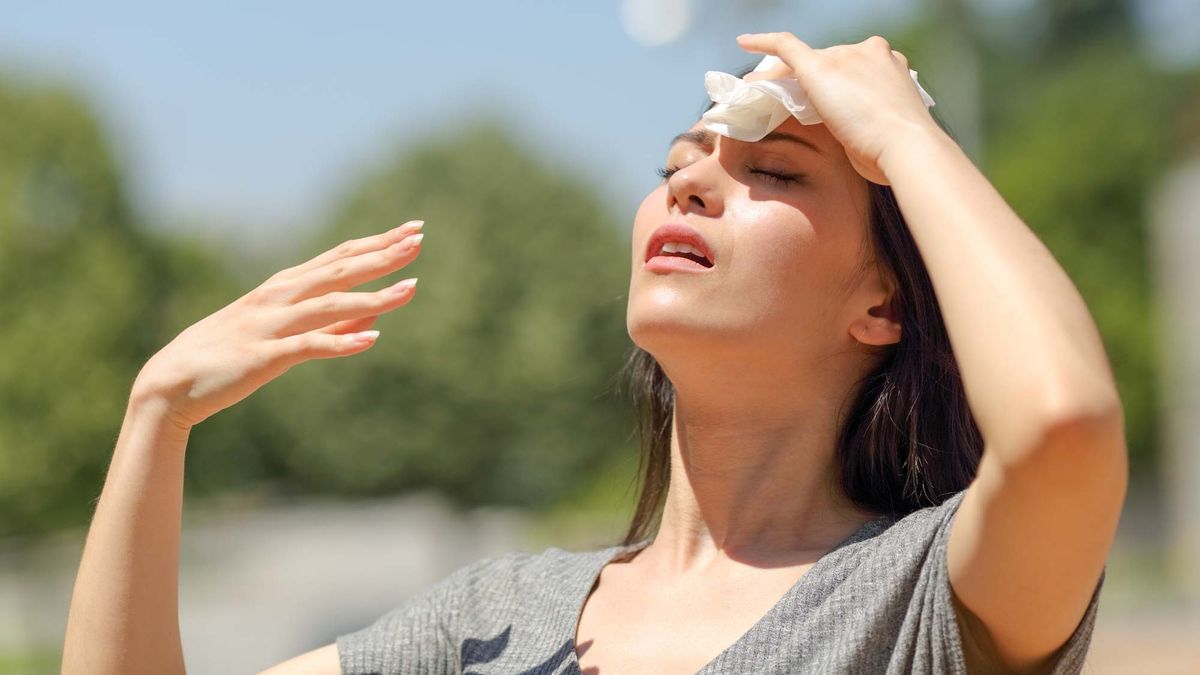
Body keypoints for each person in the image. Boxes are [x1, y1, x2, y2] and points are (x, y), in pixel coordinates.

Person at [61, 32, 1126, 675]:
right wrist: (157, 417)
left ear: (884, 304)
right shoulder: (492, 620)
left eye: (781, 174)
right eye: (677, 163)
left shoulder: (923, 600)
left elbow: (1061, 424)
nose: (692, 184)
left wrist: (900, 130)